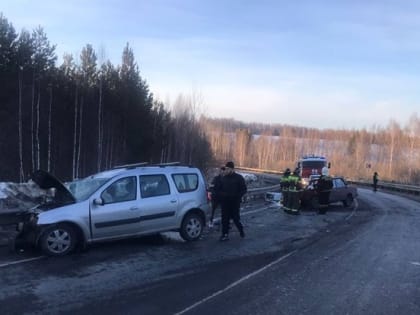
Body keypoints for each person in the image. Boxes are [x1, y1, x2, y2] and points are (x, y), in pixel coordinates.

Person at [219, 161, 247, 241]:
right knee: (224, 219)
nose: (226, 170)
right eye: (225, 169)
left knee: (235, 219)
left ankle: (241, 230)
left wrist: (238, 196)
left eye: (227, 169)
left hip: (235, 203)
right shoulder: (223, 178)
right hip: (225, 203)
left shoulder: (239, 178)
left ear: (232, 169)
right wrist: (222, 195)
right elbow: (219, 190)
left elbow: (244, 189)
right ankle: (225, 234)